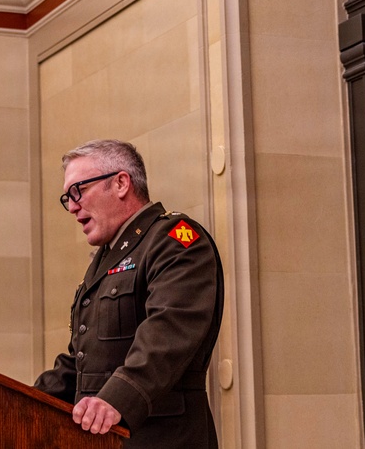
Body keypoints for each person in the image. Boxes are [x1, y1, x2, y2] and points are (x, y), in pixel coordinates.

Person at [34, 139, 224, 448]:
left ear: (121, 183)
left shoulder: (175, 240)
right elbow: (82, 364)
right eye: (67, 197)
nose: (71, 206)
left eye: (78, 191)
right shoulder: (107, 258)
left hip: (162, 439)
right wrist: (20, 398)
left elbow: (168, 334)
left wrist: (116, 399)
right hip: (108, 439)